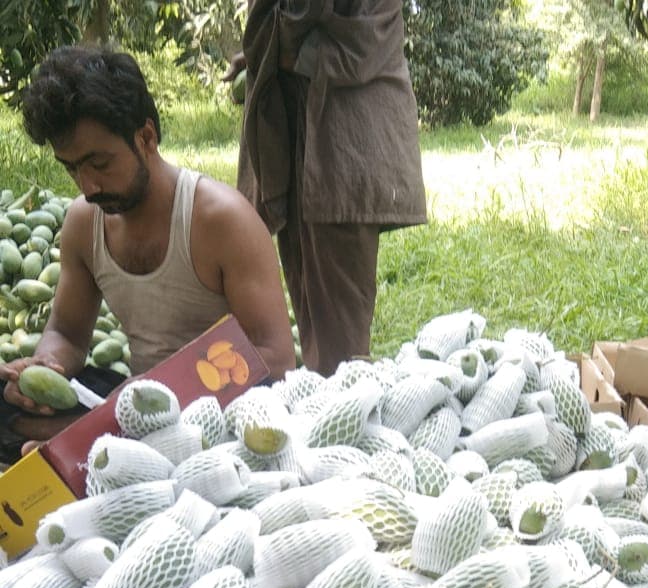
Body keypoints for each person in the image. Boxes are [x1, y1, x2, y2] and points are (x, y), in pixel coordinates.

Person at [0, 44, 296, 462]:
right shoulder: (85, 223)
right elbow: (66, 333)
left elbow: (275, 359)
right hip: (130, 400)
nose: (87, 186)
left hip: (215, 408)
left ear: (146, 137)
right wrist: (48, 366)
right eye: (72, 168)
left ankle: (86, 448)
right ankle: (91, 445)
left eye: (99, 163)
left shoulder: (221, 219)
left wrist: (154, 392)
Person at [225, 0, 427, 378]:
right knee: (308, 293)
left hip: (340, 143)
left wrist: (268, 52)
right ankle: (325, 392)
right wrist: (261, 55)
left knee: (339, 334)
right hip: (299, 133)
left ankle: (343, 408)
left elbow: (335, 44)